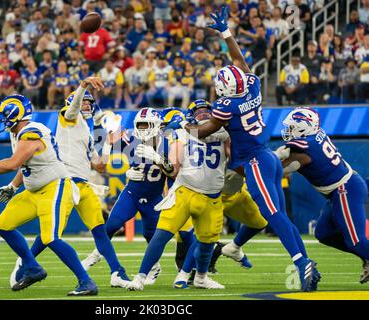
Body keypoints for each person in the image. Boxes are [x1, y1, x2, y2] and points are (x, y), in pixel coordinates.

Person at [165, 7, 320, 292]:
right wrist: (226, 32)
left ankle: (301, 263)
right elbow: (239, 59)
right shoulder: (252, 85)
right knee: (278, 215)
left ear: (224, 90)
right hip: (265, 157)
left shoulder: (227, 105)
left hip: (253, 162)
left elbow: (205, 131)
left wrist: (181, 125)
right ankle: (303, 259)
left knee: (272, 215)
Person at [0, 94, 98, 295]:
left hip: (55, 187)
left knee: (50, 238)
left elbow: (13, 162)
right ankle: (32, 266)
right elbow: (25, 164)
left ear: (15, 113)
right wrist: (12, 186)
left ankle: (87, 282)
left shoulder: (31, 132)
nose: (2, 118)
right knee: (2, 224)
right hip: (34, 191)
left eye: (5, 114)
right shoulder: (19, 133)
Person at [10, 77, 130, 289]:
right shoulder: (68, 117)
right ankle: (24, 263)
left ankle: (117, 272)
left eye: (88, 102)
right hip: (63, 184)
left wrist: (110, 145)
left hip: (82, 185)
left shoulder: (87, 131)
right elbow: (74, 107)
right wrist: (83, 86)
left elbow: (100, 166)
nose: (86, 104)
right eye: (82, 101)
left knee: (99, 230)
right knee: (50, 235)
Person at [126, 100, 230, 291]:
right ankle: (140, 277)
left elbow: (232, 157)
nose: (203, 114)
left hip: (211, 195)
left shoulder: (223, 133)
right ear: (190, 115)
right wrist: (157, 158)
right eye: (198, 112)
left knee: (206, 241)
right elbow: (172, 171)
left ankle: (198, 277)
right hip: (185, 191)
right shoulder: (182, 135)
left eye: (207, 111)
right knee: (162, 233)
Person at [278, 107, 369, 284]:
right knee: (324, 233)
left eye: (291, 127)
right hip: (340, 190)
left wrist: (269, 159)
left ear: (303, 128)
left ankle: (366, 254)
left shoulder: (305, 151)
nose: (288, 131)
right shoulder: (314, 136)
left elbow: (280, 168)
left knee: (356, 242)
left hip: (345, 189)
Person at [83, 107, 173, 285]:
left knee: (151, 236)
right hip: (132, 193)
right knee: (111, 226)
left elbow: (173, 172)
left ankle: (154, 267)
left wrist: (158, 158)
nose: (143, 128)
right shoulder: (132, 138)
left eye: (147, 124)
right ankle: (95, 254)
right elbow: (105, 141)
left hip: (154, 197)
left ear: (156, 125)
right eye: (140, 124)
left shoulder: (168, 143)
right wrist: (128, 172)